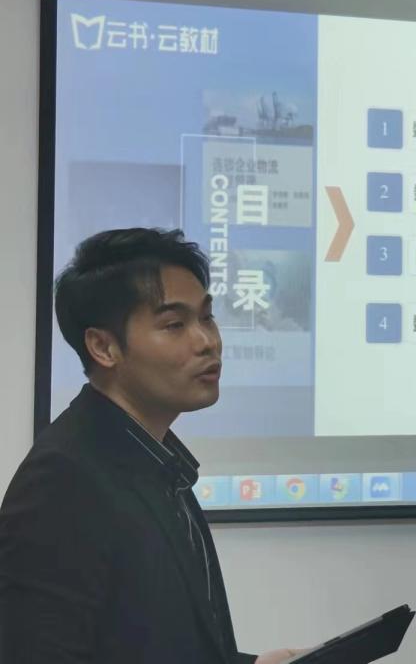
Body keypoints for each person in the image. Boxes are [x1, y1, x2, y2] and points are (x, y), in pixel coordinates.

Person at [0, 228, 307, 664]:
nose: (207, 341)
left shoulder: (155, 461)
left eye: (207, 317)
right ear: (103, 347)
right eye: (175, 325)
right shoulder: (63, 480)